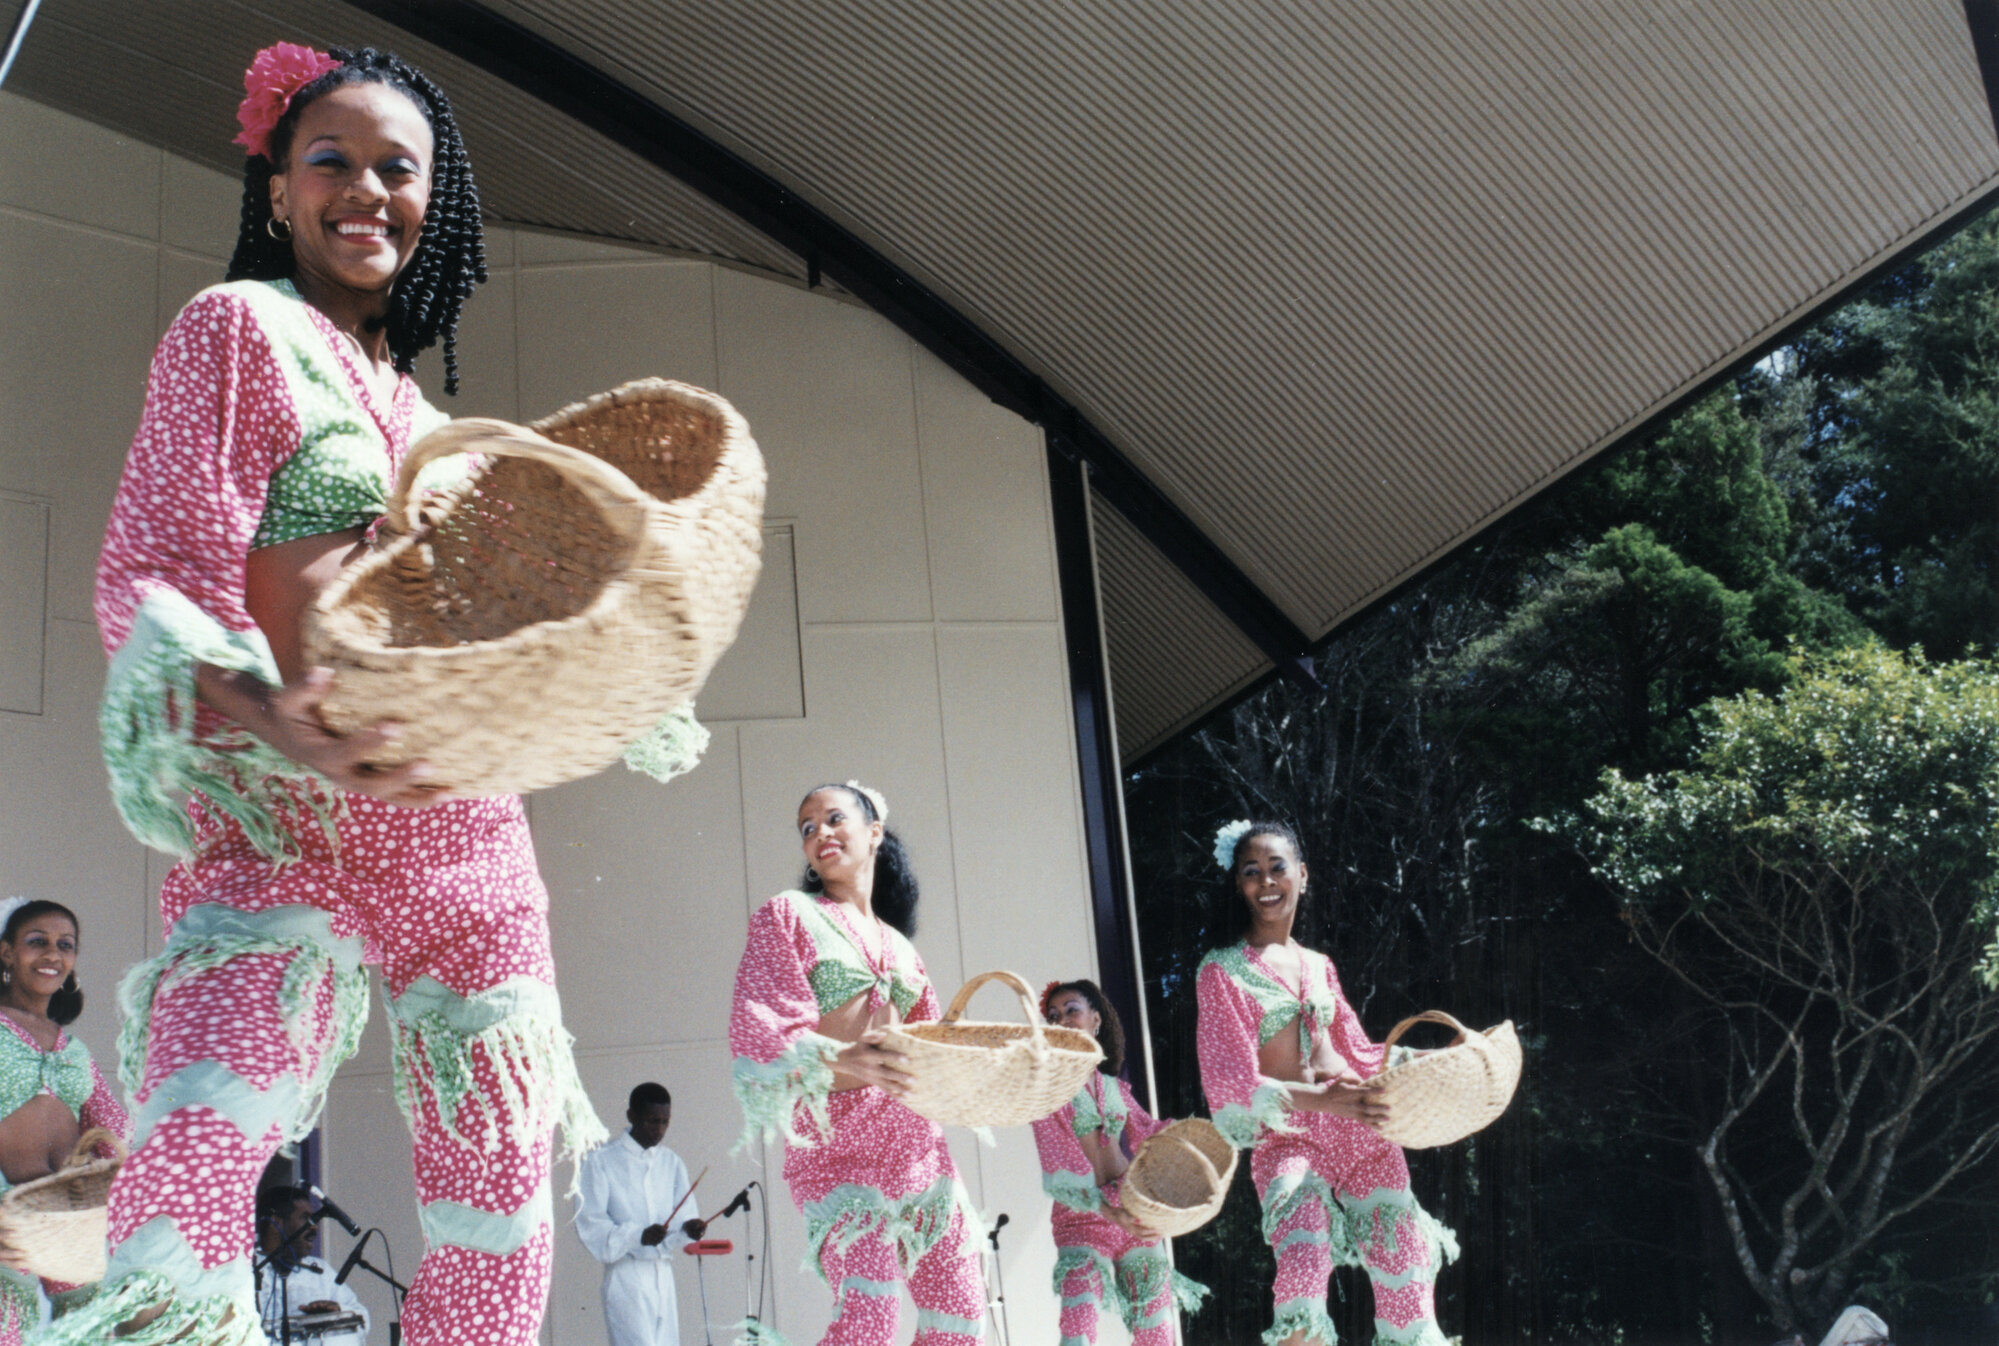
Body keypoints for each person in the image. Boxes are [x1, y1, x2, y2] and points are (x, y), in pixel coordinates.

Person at [60, 40, 704, 1346]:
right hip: (284, 818)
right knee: (185, 1181)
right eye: (331, 161)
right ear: (278, 190)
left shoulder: (424, 419)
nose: (366, 191)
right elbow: (158, 569)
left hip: (466, 848)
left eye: (397, 169)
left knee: (499, 1227)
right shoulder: (237, 330)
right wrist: (269, 715)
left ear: (433, 199)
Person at [728, 782, 986, 1346]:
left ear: (874, 833)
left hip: (918, 1150)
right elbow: (759, 1032)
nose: (819, 832)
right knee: (871, 1316)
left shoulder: (902, 946)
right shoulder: (789, 914)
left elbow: (931, 1048)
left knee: (962, 1316)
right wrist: (848, 1058)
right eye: (807, 828)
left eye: (833, 818)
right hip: (837, 1151)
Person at [1194, 821, 1456, 1346]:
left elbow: (1356, 1051)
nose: (1267, 881)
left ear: (1302, 875)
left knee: (1404, 1261)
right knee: (1303, 1265)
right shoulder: (1221, 970)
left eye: (1277, 867)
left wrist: (1427, 1060)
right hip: (1288, 1136)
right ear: (1238, 885)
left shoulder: (1319, 965)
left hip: (1358, 1126)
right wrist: (1324, 1100)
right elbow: (1230, 1083)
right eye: (1251, 872)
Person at [1032, 979, 1206, 1346]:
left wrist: (1196, 1141)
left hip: (1131, 1207)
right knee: (1078, 1328)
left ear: (1095, 1020)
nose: (1062, 1020)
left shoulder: (1113, 1086)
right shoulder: (1047, 1089)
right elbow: (1058, 1163)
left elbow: (1149, 1133)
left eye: (1071, 1010)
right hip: (1083, 1215)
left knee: (1155, 1331)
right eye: (1054, 1016)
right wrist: (1109, 1213)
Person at [0, 899, 130, 1337]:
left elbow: (113, 1133)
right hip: (7, 1226)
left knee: (94, 1332)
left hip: (72, 1225)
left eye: (65, 945)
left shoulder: (73, 1049)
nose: (53, 954)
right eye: (38, 941)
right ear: (6, 952)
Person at [575, 1083, 705, 1346]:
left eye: (665, 1122)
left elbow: (683, 1216)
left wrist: (688, 1229)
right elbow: (591, 1223)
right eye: (652, 1121)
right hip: (627, 1275)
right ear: (632, 1116)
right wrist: (638, 1236)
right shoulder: (601, 1160)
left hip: (663, 1274)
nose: (659, 1129)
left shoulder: (671, 1162)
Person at [252, 1186, 368, 1346]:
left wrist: (338, 1310)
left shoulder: (320, 1271)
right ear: (275, 1222)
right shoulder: (244, 1271)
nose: (314, 1226)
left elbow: (362, 1318)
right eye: (305, 1218)